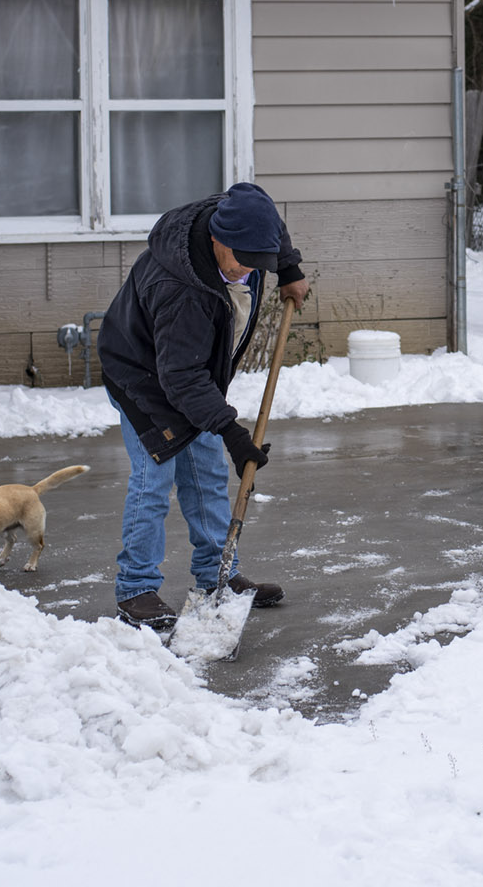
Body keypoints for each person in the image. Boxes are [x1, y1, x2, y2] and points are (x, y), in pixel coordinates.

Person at [96, 181, 310, 630]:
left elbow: (265, 212)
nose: (249, 272)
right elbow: (181, 379)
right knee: (155, 477)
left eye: (260, 264)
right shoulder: (181, 289)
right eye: (243, 262)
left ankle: (218, 576)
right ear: (217, 239)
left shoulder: (241, 214)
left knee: (207, 473)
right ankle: (135, 589)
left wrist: (287, 267)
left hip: (186, 370)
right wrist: (232, 432)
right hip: (142, 374)